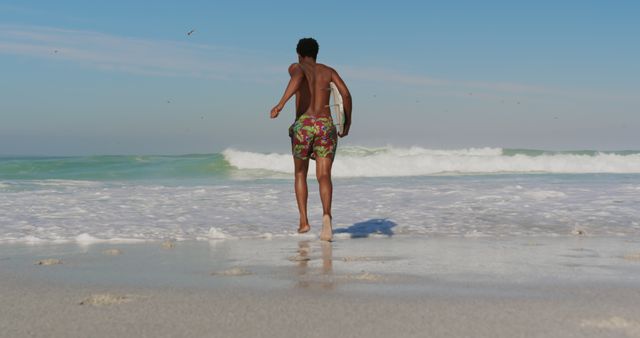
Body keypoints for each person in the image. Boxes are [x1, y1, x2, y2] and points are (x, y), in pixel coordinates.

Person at [270, 38, 352, 241]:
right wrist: (346, 123)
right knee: (324, 174)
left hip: (305, 125)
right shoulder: (328, 71)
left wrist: (280, 105)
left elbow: (297, 78)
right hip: (325, 124)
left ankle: (304, 221)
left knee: (300, 173)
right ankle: (326, 216)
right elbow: (346, 95)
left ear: (298, 53)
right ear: (317, 53)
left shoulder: (296, 67)